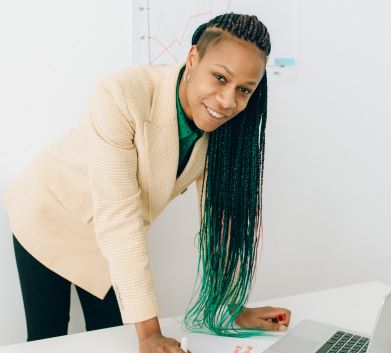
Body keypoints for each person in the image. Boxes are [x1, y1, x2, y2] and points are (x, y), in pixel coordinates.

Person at [4, 12, 291, 353]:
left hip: (109, 240)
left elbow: (216, 221)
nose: (228, 101)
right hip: (50, 216)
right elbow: (119, 214)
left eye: (244, 90)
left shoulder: (221, 128)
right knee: (48, 339)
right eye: (219, 78)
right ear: (193, 57)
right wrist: (149, 333)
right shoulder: (122, 93)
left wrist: (234, 308)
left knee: (112, 338)